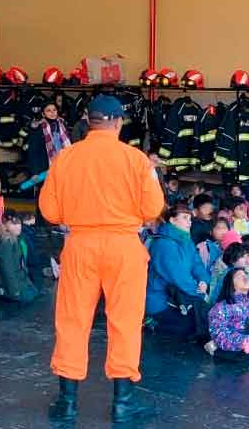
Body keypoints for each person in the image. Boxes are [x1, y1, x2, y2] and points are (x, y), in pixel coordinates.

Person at [39, 95, 164, 424]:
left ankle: (67, 403)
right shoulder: (136, 160)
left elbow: (50, 211)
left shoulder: (66, 158)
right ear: (119, 122)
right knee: (124, 322)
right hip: (124, 248)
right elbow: (153, 210)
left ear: (89, 120)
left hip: (80, 246)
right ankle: (123, 403)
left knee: (72, 321)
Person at [145, 204, 211, 339]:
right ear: (172, 220)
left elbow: (197, 264)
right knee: (193, 327)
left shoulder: (186, 240)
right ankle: (152, 323)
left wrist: (203, 281)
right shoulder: (163, 244)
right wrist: (200, 294)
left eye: (190, 219)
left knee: (202, 321)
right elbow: (179, 277)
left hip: (180, 295)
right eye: (185, 218)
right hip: (160, 300)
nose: (189, 222)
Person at [0, 210, 39, 303]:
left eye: (18, 223)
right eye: (13, 224)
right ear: (4, 226)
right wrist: (14, 291)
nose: (17, 227)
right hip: (13, 287)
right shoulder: (6, 242)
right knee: (32, 299)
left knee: (35, 294)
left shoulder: (16, 238)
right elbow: (7, 270)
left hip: (21, 281)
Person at [27, 101, 72, 177]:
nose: (52, 113)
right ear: (43, 114)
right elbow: (33, 151)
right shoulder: (38, 128)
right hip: (46, 167)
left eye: (54, 110)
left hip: (63, 164)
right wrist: (35, 172)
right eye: (48, 111)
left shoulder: (62, 124)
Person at [208, 235, 249, 305]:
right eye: (242, 256)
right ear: (233, 260)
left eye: (246, 256)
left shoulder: (233, 271)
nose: (246, 259)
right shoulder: (231, 275)